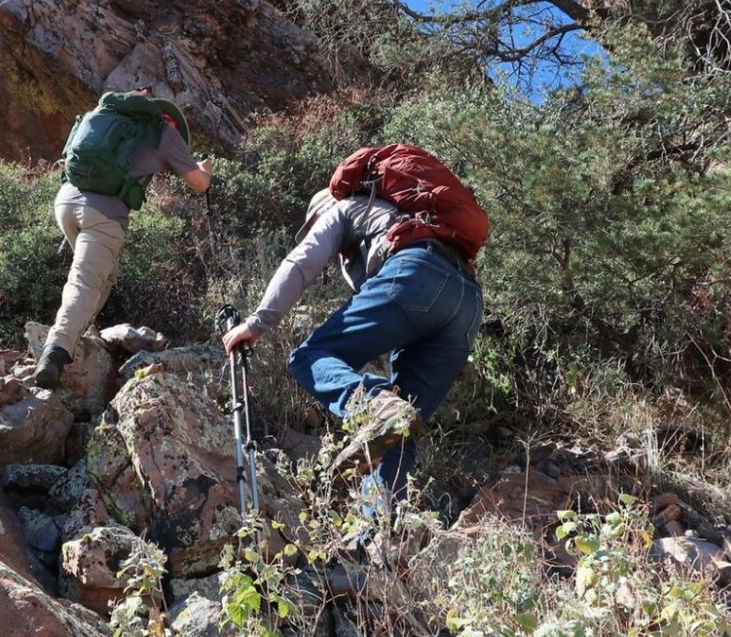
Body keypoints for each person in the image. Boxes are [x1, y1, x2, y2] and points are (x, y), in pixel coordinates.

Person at [221, 186, 483, 516]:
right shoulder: (399, 223)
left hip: (418, 273)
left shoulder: (343, 209)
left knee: (309, 356)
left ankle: (374, 406)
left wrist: (257, 323)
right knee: (399, 433)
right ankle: (379, 546)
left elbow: (302, 262)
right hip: (469, 303)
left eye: (313, 223)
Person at [35, 89, 212, 388]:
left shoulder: (109, 116)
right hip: (103, 215)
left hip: (66, 202)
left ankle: (77, 338)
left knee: (104, 277)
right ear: (172, 122)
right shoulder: (165, 134)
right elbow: (198, 183)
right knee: (86, 282)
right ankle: (55, 353)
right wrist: (206, 171)